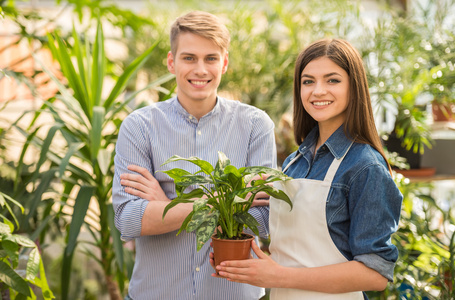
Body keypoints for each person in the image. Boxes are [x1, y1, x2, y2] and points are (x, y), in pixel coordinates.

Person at [213, 38, 403, 299]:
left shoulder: (365, 166)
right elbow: (293, 247)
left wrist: (277, 276)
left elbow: (375, 274)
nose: (318, 91)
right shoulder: (294, 161)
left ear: (354, 87)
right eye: (308, 81)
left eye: (332, 80)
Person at [112, 11, 276, 300]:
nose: (200, 69)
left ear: (224, 63)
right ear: (171, 61)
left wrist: (166, 206)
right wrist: (227, 203)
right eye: (189, 58)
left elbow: (261, 219)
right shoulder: (139, 127)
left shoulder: (254, 125)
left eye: (210, 58)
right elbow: (127, 220)